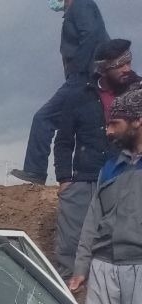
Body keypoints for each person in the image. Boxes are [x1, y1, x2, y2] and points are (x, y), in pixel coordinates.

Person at [53, 40, 140, 277]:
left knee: (121, 241)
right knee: (70, 245)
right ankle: (67, 301)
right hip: (84, 178)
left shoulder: (138, 92)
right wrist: (64, 179)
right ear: (104, 68)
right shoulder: (78, 96)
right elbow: (63, 140)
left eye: (129, 62)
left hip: (125, 175)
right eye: (120, 65)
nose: (126, 69)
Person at [71, 86, 142, 304]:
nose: (109, 131)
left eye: (115, 123)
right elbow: (93, 219)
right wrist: (81, 267)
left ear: (138, 120)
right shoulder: (110, 168)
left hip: (139, 266)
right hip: (103, 268)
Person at [11, 0, 109, 185]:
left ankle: (35, 171)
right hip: (86, 77)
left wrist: (80, 70)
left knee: (43, 118)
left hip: (82, 78)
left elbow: (91, 36)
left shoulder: (81, 5)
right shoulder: (81, 7)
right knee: (78, 126)